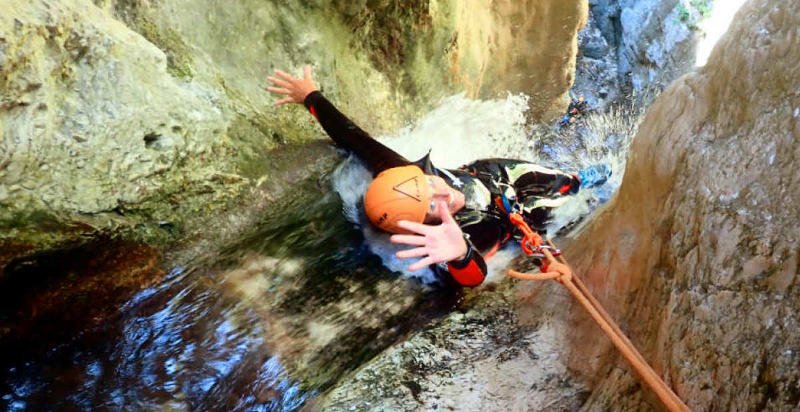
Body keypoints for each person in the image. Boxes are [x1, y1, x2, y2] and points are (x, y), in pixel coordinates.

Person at [267, 66, 610, 287]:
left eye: (430, 184)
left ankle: (578, 180)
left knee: (561, 181)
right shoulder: (450, 239)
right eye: (431, 206)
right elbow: (470, 276)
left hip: (493, 175)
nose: (443, 195)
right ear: (424, 223)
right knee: (548, 210)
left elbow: (355, 138)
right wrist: (460, 253)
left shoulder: (403, 177)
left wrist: (309, 96)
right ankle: (583, 195)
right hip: (509, 225)